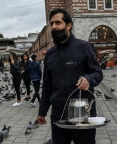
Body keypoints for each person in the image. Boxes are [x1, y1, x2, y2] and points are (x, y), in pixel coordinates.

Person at [37, 8, 103, 144]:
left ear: (69, 25)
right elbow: (47, 86)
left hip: (82, 111)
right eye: (51, 24)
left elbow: (97, 72)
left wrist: (88, 80)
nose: (54, 26)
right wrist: (42, 111)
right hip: (58, 114)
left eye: (58, 23)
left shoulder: (84, 47)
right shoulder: (50, 54)